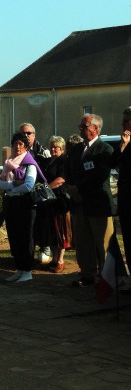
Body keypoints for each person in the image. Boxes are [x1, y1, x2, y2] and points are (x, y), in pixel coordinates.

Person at [66, 114, 114, 287]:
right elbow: (69, 171)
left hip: (98, 204)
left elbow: (99, 176)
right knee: (83, 241)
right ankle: (87, 274)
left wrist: (80, 189)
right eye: (80, 126)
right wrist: (71, 189)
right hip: (79, 204)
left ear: (95, 128)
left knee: (103, 243)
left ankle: (108, 276)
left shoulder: (105, 149)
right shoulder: (76, 149)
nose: (80, 129)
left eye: (83, 126)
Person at [0, 132, 43, 282]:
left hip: (25, 204)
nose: (17, 147)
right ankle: (19, 268)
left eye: (21, 144)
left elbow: (28, 185)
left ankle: (27, 270)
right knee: (14, 236)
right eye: (15, 144)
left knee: (26, 236)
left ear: (26, 146)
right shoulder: (9, 162)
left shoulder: (29, 164)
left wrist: (11, 188)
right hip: (11, 203)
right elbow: (0, 183)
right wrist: (12, 185)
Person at [37, 136, 72, 273]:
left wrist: (45, 188)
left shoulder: (64, 161)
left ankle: (61, 260)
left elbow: (60, 180)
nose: (53, 149)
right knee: (50, 231)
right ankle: (54, 258)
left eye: (56, 147)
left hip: (59, 200)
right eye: (51, 146)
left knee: (59, 231)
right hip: (47, 201)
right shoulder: (47, 162)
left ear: (62, 148)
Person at [19, 122, 52, 263]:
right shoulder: (18, 149)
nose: (26, 136)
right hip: (22, 192)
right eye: (23, 133)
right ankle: (26, 254)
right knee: (26, 225)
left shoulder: (43, 151)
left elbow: (48, 173)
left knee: (41, 222)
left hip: (39, 193)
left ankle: (45, 247)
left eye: (28, 133)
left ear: (34, 135)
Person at [110, 107, 131, 265]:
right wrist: (123, 147)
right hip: (125, 200)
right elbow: (113, 163)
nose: (123, 125)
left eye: (126, 121)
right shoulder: (122, 142)